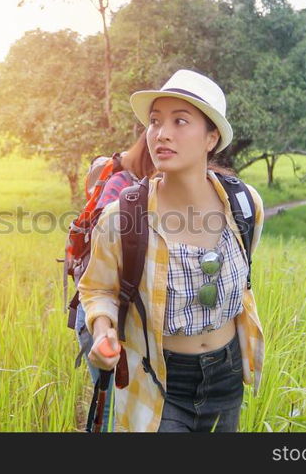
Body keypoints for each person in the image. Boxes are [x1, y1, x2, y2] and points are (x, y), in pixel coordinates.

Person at [77, 69, 265, 432]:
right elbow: (97, 288)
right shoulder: (124, 217)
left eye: (181, 121)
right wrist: (102, 331)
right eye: (154, 121)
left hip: (228, 375)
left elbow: (245, 278)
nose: (162, 133)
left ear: (211, 137)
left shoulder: (245, 205)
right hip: (160, 380)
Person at [74, 130, 156, 431]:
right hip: (101, 313)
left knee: (134, 409)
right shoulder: (121, 187)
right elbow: (103, 252)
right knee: (111, 411)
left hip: (129, 317)